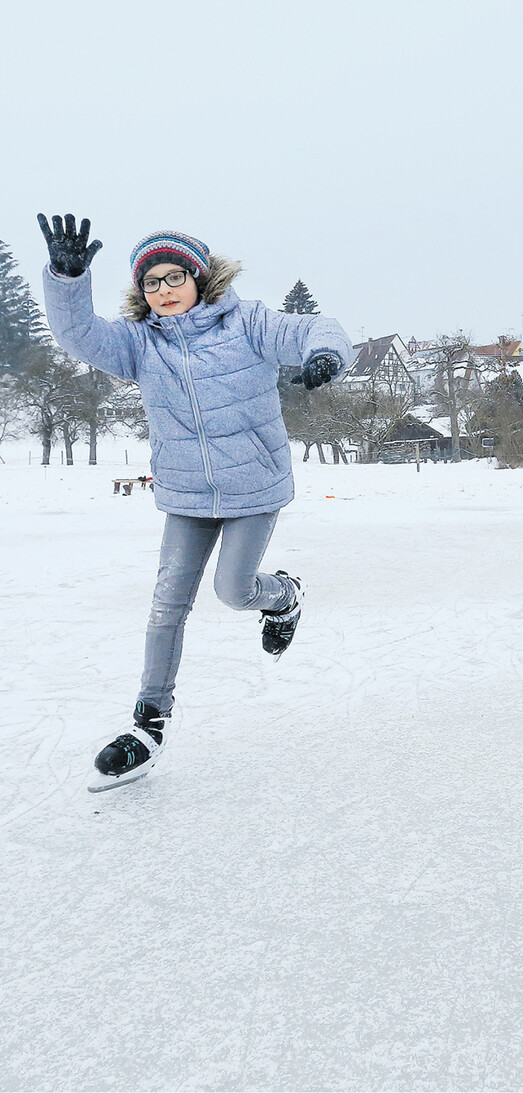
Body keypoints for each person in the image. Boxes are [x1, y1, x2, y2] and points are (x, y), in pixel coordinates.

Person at [38, 214, 353, 792]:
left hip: (253, 487)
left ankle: (283, 595)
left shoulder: (249, 323)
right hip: (185, 494)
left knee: (234, 592)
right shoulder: (138, 344)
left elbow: (313, 328)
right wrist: (66, 277)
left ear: (199, 277)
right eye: (151, 282)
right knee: (165, 608)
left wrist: (327, 355)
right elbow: (78, 335)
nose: (162, 289)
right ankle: (148, 724)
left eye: (173, 276)